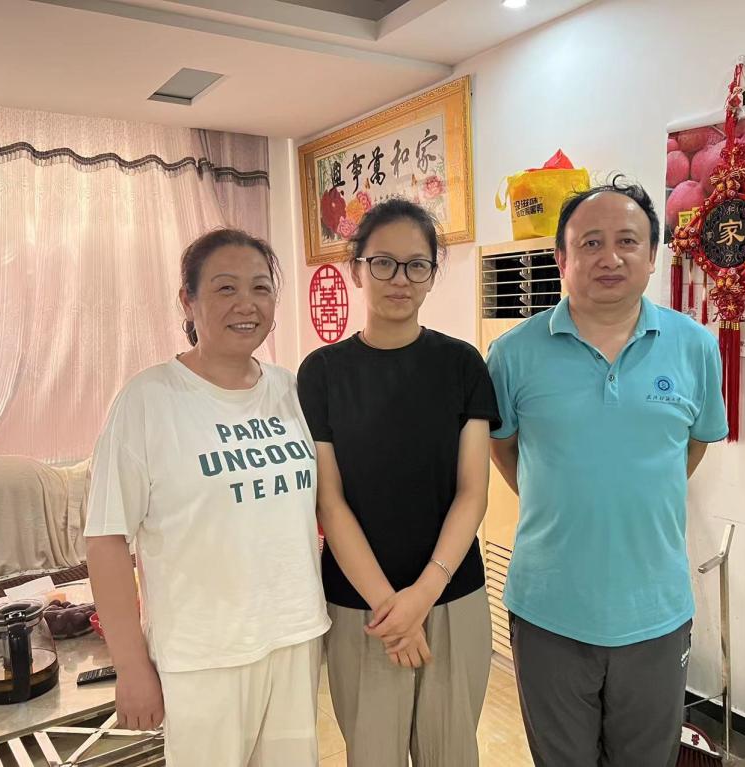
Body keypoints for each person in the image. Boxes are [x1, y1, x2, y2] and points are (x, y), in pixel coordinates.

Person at [487, 177, 729, 767]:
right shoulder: (513, 354)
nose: (610, 257)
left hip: (656, 608)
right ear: (561, 258)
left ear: (653, 255)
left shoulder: (695, 347)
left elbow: (693, 446)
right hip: (548, 608)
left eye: (627, 241)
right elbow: (505, 449)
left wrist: (631, 492)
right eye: (590, 242)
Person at [83, 228, 329, 766]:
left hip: (294, 635)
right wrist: (131, 667)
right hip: (201, 655)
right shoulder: (148, 400)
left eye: (261, 288)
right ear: (188, 300)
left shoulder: (292, 391)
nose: (247, 304)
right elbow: (106, 541)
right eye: (225, 288)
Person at [297, 198, 499, 767]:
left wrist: (423, 596)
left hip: (453, 597)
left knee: (451, 755)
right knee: (372, 755)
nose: (400, 279)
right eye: (383, 263)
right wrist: (393, 610)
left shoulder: (462, 365)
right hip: (360, 606)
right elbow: (330, 502)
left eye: (417, 265)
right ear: (357, 268)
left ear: (432, 274)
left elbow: (473, 493)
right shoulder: (322, 373)